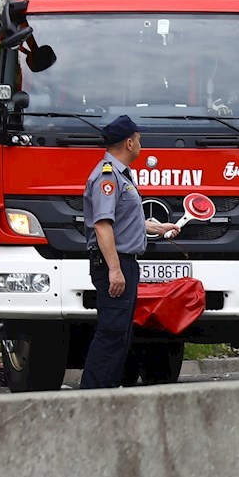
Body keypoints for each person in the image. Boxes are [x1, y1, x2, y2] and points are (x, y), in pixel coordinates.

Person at [80, 115, 178, 389]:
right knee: (111, 333)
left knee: (120, 333)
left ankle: (107, 393)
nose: (141, 144)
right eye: (139, 139)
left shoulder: (121, 175)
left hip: (125, 262)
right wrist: (114, 269)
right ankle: (91, 396)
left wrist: (159, 228)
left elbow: (124, 222)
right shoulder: (107, 177)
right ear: (129, 142)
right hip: (116, 263)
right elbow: (102, 226)